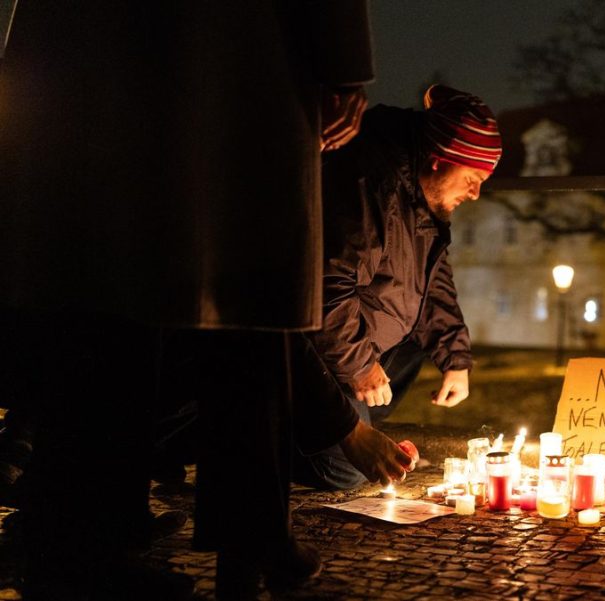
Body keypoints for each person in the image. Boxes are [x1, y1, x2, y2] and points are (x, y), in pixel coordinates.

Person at [0, 2, 373, 599]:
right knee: (244, 290)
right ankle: (243, 538)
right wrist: (344, 58)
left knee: (100, 283)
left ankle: (82, 544)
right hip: (230, 47)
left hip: (84, 48)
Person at [290, 85, 502, 490]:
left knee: (413, 343)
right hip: (319, 355)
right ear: (439, 161)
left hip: (364, 340)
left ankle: (357, 428)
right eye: (473, 178)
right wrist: (360, 368)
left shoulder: (423, 193)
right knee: (349, 473)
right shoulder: (368, 184)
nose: (476, 194)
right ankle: (298, 442)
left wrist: (454, 355)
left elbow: (432, 278)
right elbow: (326, 286)